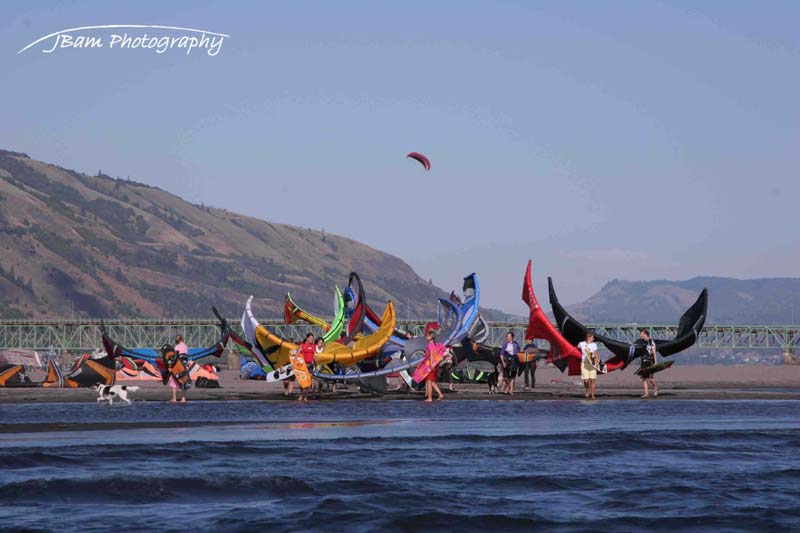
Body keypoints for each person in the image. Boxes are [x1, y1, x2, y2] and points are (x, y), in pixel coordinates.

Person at [424, 329, 445, 402]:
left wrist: (431, 365)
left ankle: (430, 398)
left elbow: (432, 354)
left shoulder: (430, 344)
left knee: (429, 381)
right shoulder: (434, 344)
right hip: (435, 365)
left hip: (431, 364)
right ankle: (440, 394)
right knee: (432, 382)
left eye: (427, 335)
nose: (426, 336)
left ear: (431, 336)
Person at [578, 331, 599, 400]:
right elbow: (575, 349)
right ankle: (587, 389)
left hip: (592, 363)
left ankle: (593, 395)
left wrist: (596, 363)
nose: (593, 338)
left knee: (592, 380)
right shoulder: (581, 344)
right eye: (593, 337)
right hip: (584, 363)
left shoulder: (594, 345)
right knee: (586, 381)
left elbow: (596, 354)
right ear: (589, 337)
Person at [639, 329, 659, 398]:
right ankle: (646, 393)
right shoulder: (641, 342)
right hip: (643, 361)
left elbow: (654, 352)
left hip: (650, 361)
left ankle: (656, 388)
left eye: (641, 333)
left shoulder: (651, 341)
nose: (640, 335)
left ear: (645, 334)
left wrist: (655, 362)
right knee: (644, 378)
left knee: (650, 378)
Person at [170, 336, 189, 403]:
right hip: (184, 366)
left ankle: (174, 398)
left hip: (178, 367)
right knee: (183, 381)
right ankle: (183, 398)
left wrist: (171, 366)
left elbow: (175, 357)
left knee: (174, 381)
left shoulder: (176, 347)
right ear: (182, 339)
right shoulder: (186, 347)